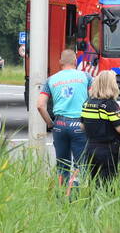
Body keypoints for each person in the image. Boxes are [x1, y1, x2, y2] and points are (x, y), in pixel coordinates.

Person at [37, 49, 92, 183]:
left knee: (62, 166)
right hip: (80, 124)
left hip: (60, 125)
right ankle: (79, 196)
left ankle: (61, 196)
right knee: (81, 165)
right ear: (75, 60)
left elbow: (40, 105)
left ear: (60, 62)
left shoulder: (51, 80)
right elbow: (93, 98)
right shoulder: (86, 77)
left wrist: (50, 124)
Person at [80, 71, 120, 182]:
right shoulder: (110, 104)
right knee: (108, 184)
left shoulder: (87, 103)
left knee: (93, 182)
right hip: (107, 150)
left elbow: (82, 126)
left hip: (90, 148)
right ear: (112, 85)